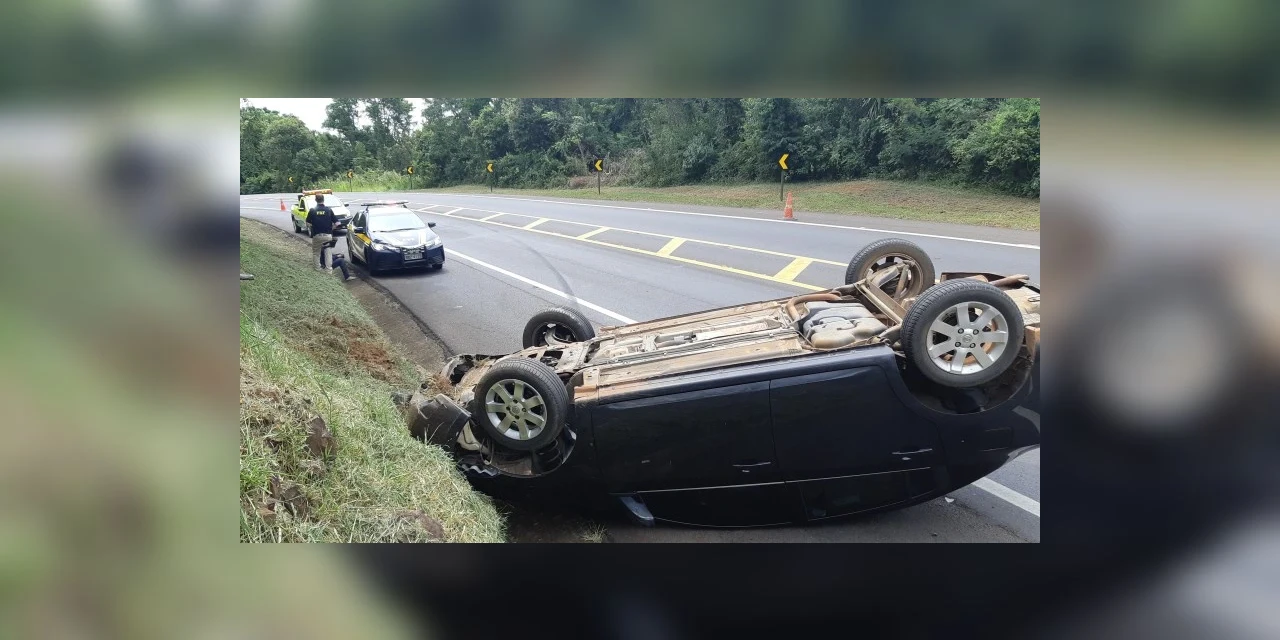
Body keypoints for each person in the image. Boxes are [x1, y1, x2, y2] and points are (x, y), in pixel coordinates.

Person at [305, 194, 335, 270]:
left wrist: (314, 225)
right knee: (328, 252)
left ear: (315, 200)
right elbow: (338, 223)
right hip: (328, 235)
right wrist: (331, 228)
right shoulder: (329, 210)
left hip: (317, 235)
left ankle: (317, 269)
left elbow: (307, 223)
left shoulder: (312, 210)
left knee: (316, 253)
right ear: (323, 200)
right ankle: (329, 270)